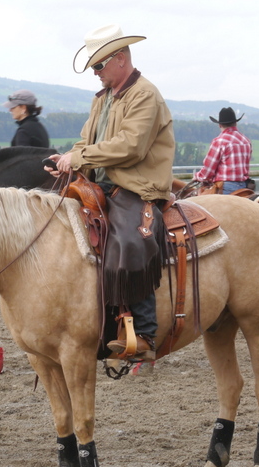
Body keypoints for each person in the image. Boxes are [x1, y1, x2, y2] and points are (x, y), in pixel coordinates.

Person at [45, 24, 175, 361]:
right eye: (93, 66)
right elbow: (85, 141)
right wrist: (68, 160)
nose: (95, 72)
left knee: (130, 240)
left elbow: (131, 146)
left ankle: (143, 332)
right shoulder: (101, 98)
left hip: (136, 186)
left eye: (99, 65)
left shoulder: (145, 94)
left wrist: (80, 158)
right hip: (100, 184)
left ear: (120, 58)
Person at [193, 107, 253, 195]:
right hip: (244, 186)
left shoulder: (219, 141)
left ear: (220, 125)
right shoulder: (246, 141)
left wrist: (197, 177)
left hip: (226, 187)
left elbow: (208, 170)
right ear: (235, 123)